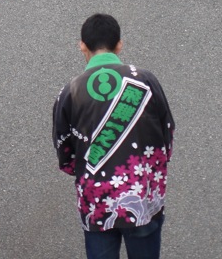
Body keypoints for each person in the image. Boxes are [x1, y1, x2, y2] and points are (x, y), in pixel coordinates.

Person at [52, 13, 175, 257]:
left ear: (82, 46)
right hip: (141, 196)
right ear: (119, 44)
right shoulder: (145, 80)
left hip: (96, 202)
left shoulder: (70, 91)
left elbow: (64, 150)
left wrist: (86, 172)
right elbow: (166, 133)